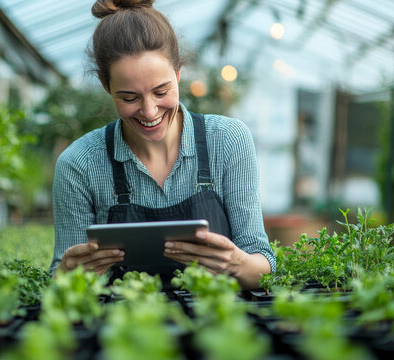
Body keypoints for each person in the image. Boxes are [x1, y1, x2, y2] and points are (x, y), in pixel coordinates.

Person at [50, 0, 275, 290]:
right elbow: (60, 281)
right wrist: (68, 274)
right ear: (107, 87)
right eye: (130, 98)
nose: (150, 111)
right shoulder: (79, 164)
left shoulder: (228, 141)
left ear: (179, 74)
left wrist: (235, 262)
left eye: (162, 91)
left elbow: (263, 265)